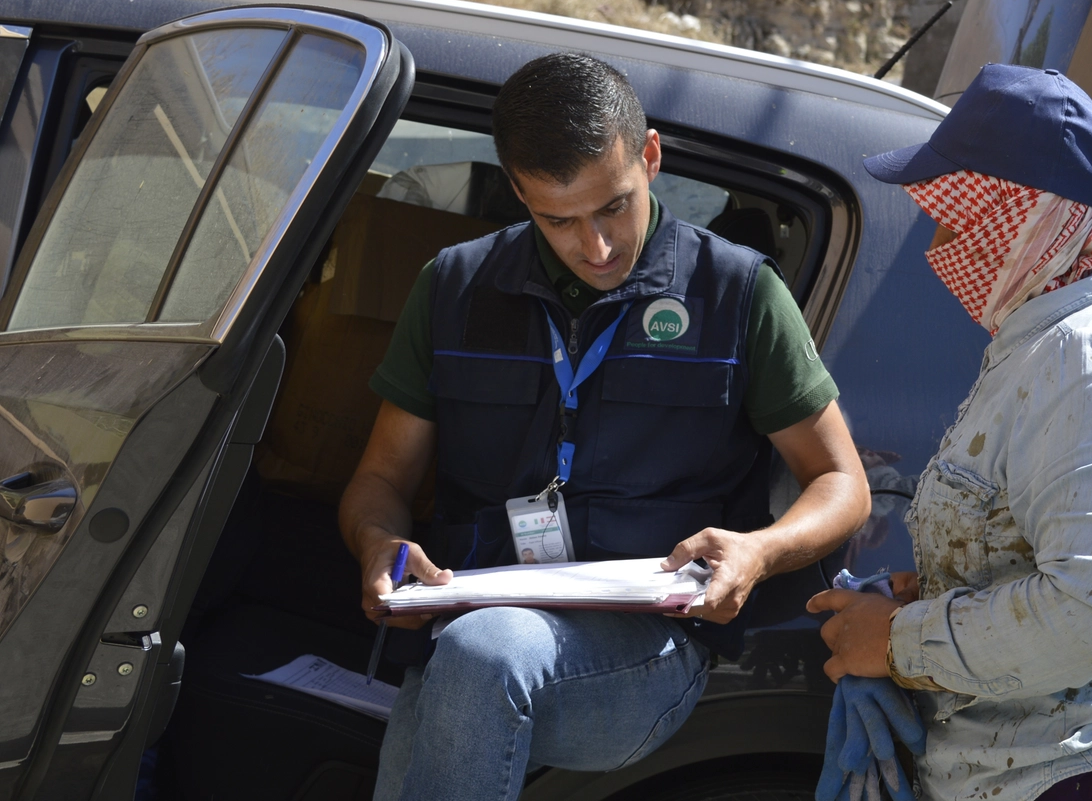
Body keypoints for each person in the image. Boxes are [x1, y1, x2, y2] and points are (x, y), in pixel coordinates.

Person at [339, 53, 871, 800]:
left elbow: (843, 482)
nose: (596, 247)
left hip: (651, 652)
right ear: (519, 190)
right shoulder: (453, 287)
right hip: (467, 633)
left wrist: (757, 551)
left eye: (614, 206)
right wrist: (378, 546)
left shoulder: (739, 291)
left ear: (650, 157)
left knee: (481, 656)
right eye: (559, 220)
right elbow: (380, 480)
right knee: (463, 666)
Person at [807, 65, 1092, 801]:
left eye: (953, 214)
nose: (939, 241)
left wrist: (900, 641)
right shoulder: (1050, 339)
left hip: (1087, 774)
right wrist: (946, 589)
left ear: (1023, 213)